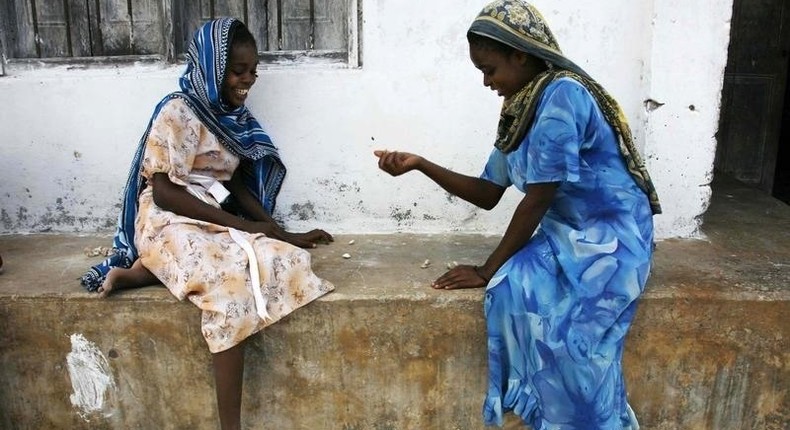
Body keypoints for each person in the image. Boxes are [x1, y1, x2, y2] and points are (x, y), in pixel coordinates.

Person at [374, 1, 661, 428]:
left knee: (574, 339)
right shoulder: (522, 109)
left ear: (520, 55)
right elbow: (489, 192)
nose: (487, 82)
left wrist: (486, 267)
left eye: (490, 69)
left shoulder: (564, 95)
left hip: (611, 240)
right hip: (564, 234)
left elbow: (538, 199)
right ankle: (541, 407)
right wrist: (421, 164)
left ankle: (589, 420)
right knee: (508, 291)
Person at [81, 18, 334, 430]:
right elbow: (165, 192)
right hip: (169, 215)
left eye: (253, 71)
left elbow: (232, 181)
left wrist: (278, 231)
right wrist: (240, 224)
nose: (247, 80)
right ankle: (229, 425)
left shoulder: (231, 114)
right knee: (228, 290)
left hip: (209, 213)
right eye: (238, 71)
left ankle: (146, 272)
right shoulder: (177, 111)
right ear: (213, 67)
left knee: (285, 262)